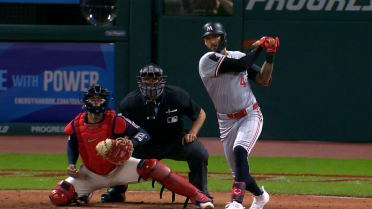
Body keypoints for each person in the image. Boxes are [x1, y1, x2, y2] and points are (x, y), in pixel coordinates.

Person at [48, 84, 214, 209]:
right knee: (57, 197)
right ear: (86, 101)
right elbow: (72, 144)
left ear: (106, 101)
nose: (97, 102)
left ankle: (198, 196)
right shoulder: (76, 124)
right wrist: (71, 163)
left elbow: (143, 134)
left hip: (119, 169)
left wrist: (130, 142)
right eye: (93, 99)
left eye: (100, 99)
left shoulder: (114, 119)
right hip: (90, 174)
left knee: (154, 167)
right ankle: (86, 192)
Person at [101, 64, 212, 204]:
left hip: (174, 141)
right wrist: (124, 142)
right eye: (147, 79)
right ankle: (117, 191)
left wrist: (192, 133)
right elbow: (121, 126)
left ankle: (200, 193)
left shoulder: (177, 95)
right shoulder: (130, 102)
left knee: (199, 152)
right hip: (143, 145)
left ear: (162, 80)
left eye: (155, 79)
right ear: (140, 81)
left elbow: (200, 113)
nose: (151, 82)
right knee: (118, 151)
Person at [198, 22, 279, 209]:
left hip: (250, 114)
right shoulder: (207, 60)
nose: (211, 41)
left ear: (223, 37)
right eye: (208, 38)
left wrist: (270, 54)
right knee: (239, 173)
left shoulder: (239, 55)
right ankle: (260, 196)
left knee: (240, 150)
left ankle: (236, 202)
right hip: (226, 121)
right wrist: (261, 45)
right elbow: (242, 64)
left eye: (215, 36)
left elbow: (263, 79)